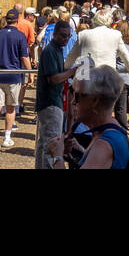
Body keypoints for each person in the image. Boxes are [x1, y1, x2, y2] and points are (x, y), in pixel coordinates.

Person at [47, 64, 129, 169]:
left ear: (95, 100)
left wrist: (57, 156)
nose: (72, 102)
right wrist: (79, 149)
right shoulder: (110, 129)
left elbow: (100, 154)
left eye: (77, 96)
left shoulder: (103, 146)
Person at [0, 9, 31, 150]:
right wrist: (31, 74)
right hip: (13, 76)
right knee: (10, 108)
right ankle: (7, 137)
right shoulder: (20, 36)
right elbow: (24, 57)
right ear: (17, 20)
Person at [35, 20, 75, 169]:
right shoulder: (51, 51)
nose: (66, 39)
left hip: (53, 100)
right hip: (50, 102)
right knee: (52, 142)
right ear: (55, 34)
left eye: (68, 37)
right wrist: (71, 72)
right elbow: (52, 79)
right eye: (63, 36)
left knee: (44, 143)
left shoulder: (57, 50)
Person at [113, 20, 129, 129]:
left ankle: (123, 130)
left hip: (122, 78)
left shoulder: (119, 44)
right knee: (127, 103)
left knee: (120, 108)